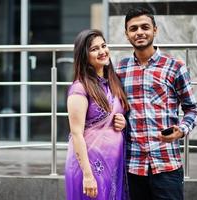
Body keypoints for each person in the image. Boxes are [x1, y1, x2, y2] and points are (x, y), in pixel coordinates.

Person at [115, 7, 197, 200]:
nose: (139, 32)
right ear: (126, 34)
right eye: (133, 28)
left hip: (167, 163)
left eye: (145, 27)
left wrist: (182, 129)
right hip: (133, 165)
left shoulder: (175, 66)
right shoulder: (119, 69)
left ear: (155, 30)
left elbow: (192, 108)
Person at [65, 29, 130, 200]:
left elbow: (114, 115)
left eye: (103, 45)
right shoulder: (80, 88)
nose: (102, 52)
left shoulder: (113, 82)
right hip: (90, 168)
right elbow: (76, 134)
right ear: (84, 56)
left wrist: (122, 121)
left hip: (113, 164)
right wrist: (88, 175)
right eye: (94, 49)